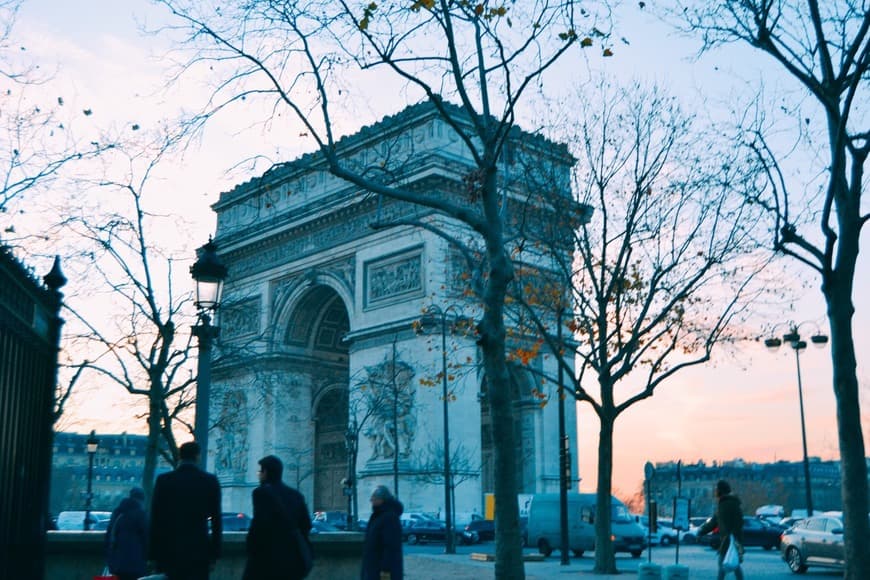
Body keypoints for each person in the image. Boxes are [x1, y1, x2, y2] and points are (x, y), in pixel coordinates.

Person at [149, 441, 222, 580]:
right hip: (199, 551)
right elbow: (216, 521)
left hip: (169, 551)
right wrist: (214, 555)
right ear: (197, 457)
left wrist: (153, 555)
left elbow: (156, 520)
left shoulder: (164, 480)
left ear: (180, 457)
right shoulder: (210, 481)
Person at [243, 455, 313, 580]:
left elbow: (259, 526)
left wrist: (251, 549)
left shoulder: (261, 493)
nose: (258, 475)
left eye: (260, 471)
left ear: (265, 472)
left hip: (267, 561)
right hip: (292, 561)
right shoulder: (296, 495)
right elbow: (306, 525)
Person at [698, 480, 745, 580]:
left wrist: (701, 531)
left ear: (720, 491)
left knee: (724, 564)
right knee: (734, 564)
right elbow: (716, 521)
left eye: (716, 489)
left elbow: (714, 522)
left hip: (728, 540)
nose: (715, 491)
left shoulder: (725, 504)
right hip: (731, 540)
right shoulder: (729, 503)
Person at [104, 487, 148, 580]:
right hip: (135, 563)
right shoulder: (140, 514)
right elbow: (146, 538)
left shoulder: (117, 513)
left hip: (116, 563)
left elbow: (108, 536)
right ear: (141, 500)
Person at [361, 485, 403, 580]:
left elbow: (390, 546)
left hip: (382, 570)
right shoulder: (379, 516)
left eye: (374, 498)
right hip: (375, 567)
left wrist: (385, 570)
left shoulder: (389, 518)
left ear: (382, 499)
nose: (371, 500)